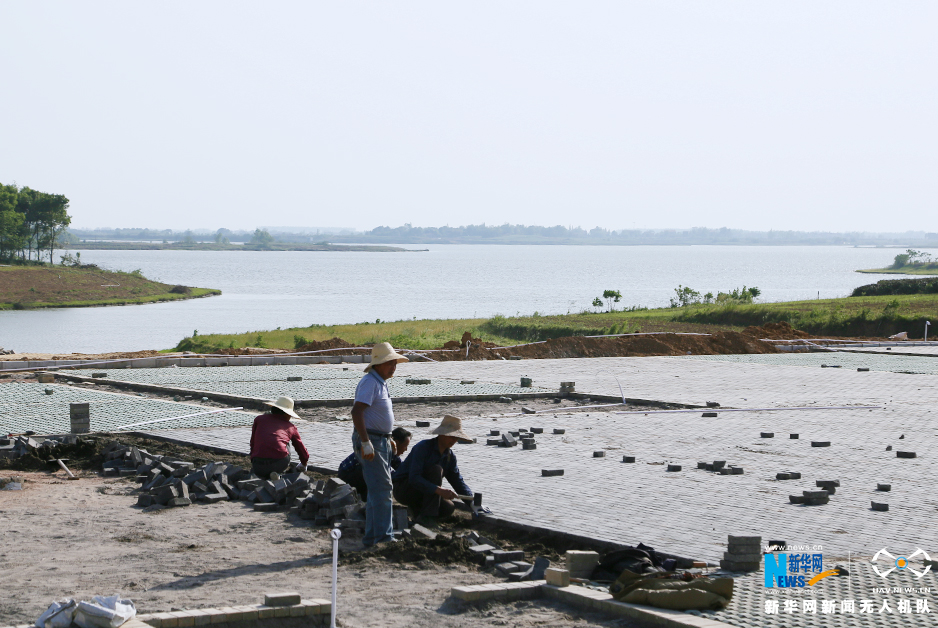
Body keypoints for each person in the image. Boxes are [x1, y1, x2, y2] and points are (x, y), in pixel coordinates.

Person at [351, 342, 409, 547]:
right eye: (389, 363)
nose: (393, 367)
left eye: (395, 363)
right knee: (383, 488)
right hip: (371, 440)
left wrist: (388, 437)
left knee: (378, 490)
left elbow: (376, 414)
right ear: (377, 364)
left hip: (379, 439)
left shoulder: (380, 382)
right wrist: (366, 441)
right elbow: (357, 412)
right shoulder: (370, 383)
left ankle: (373, 537)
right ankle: (384, 538)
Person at [393, 415, 474, 527]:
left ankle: (418, 514)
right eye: (451, 436)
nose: (454, 440)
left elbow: (458, 481)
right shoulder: (423, 448)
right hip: (404, 489)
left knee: (448, 507)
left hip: (424, 492)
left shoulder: (449, 457)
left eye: (456, 437)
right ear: (441, 434)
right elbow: (414, 478)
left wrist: (472, 503)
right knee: (436, 470)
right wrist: (438, 490)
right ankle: (427, 519)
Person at [337, 427, 411, 501]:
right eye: (405, 446)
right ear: (397, 442)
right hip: (347, 474)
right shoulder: (382, 448)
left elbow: (400, 467)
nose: (406, 450)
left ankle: (366, 500)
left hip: (356, 473)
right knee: (378, 476)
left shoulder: (389, 451)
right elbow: (386, 472)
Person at [249, 396, 309, 479]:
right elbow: (301, 450)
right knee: (285, 442)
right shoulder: (291, 427)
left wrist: (253, 458)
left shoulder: (259, 419)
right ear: (287, 413)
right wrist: (304, 464)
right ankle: (278, 474)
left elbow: (253, 443)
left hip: (258, 466)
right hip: (278, 464)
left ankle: (262, 474)